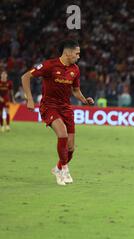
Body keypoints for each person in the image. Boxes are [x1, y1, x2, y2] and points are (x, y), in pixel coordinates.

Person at [21, 39, 94, 186]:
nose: (79, 57)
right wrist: (29, 98)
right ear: (68, 52)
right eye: (77, 53)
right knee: (62, 134)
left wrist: (85, 100)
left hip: (66, 108)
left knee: (71, 148)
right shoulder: (49, 65)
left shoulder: (75, 69)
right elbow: (25, 77)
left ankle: (58, 168)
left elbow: (75, 90)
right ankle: (64, 170)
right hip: (49, 106)